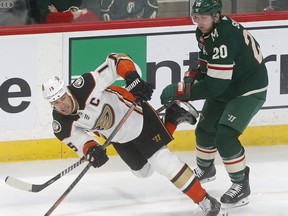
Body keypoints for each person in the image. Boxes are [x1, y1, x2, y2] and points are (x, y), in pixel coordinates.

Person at [42, 53, 227, 216]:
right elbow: (80, 140)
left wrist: (132, 78)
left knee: (162, 161)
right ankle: (173, 117)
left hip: (135, 115)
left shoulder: (85, 85)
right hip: (117, 136)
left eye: (62, 98)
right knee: (143, 172)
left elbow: (116, 60)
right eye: (56, 103)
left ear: (66, 91)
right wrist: (91, 151)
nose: (62, 105)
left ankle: (206, 202)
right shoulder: (61, 125)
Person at [160, 0, 268, 209]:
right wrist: (195, 75)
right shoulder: (204, 31)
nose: (198, 21)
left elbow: (216, 86)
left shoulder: (224, 37)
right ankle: (206, 169)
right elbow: (208, 64)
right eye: (196, 16)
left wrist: (182, 90)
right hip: (228, 83)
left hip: (248, 90)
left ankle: (240, 185)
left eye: (203, 17)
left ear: (217, 16)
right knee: (205, 129)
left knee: (225, 136)